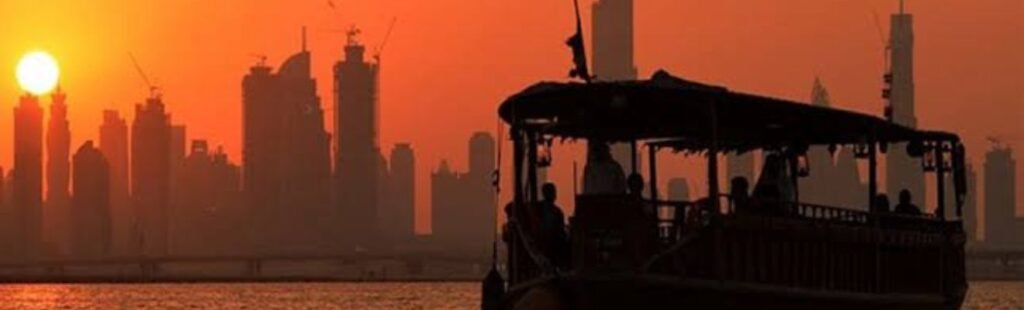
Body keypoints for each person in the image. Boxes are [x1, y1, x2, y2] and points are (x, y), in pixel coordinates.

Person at [539, 183, 569, 267]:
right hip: (550, 245)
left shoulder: (557, 211)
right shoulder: (556, 212)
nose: (555, 194)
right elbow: (559, 231)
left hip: (548, 244)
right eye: (553, 192)